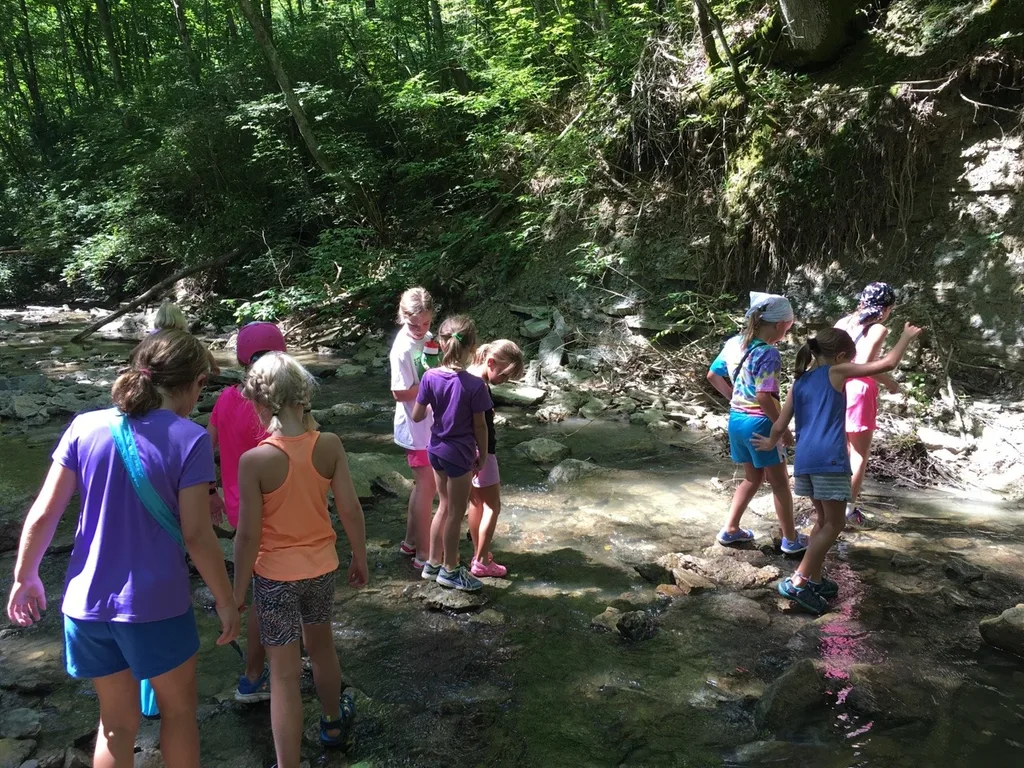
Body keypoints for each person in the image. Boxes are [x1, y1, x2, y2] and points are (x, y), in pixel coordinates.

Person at [6, 330, 240, 768]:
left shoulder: (84, 426)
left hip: (85, 605)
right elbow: (196, 534)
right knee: (179, 714)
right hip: (156, 606)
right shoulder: (189, 439)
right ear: (195, 383)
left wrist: (25, 576)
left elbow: (43, 514)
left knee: (114, 724)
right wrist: (226, 600)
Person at [232, 352, 369, 768]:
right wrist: (359, 556)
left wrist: (238, 593)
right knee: (323, 649)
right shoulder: (328, 446)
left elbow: (249, 535)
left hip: (274, 578)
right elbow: (349, 509)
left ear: (260, 403)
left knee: (285, 675)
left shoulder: (256, 460)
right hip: (322, 568)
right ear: (303, 397)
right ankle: (331, 723)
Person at [753, 323, 923, 614]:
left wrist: (770, 442)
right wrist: (905, 336)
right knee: (835, 523)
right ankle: (799, 580)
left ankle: (816, 579)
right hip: (830, 459)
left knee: (822, 520)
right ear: (842, 356)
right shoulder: (837, 371)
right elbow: (887, 363)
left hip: (805, 461)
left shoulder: (800, 381)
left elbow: (781, 422)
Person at [208, 321, 288, 702]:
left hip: (240, 512)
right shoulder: (271, 408)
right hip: (271, 514)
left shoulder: (224, 400)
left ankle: (271, 661)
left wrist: (211, 491)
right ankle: (254, 675)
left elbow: (205, 445)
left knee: (264, 591)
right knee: (265, 597)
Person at [706, 292, 806, 553]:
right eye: (789, 324)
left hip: (737, 420)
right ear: (778, 324)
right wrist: (781, 429)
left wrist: (734, 399)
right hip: (760, 424)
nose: (788, 329)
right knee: (780, 483)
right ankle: (791, 539)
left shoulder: (734, 343)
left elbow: (712, 376)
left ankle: (730, 529)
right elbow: (764, 396)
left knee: (752, 478)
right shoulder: (769, 354)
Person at [412, 315, 493, 592]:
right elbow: (480, 425)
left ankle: (432, 564)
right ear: (473, 348)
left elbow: (417, 413)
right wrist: (481, 455)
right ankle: (450, 569)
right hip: (459, 454)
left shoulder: (430, 377)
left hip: (435, 450)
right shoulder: (474, 385)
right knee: (456, 512)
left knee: (443, 507)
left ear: (442, 343)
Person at [833, 282, 900, 527]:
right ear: (886, 308)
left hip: (836, 386)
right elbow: (867, 365)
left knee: (842, 448)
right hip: (860, 389)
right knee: (859, 453)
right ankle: (847, 507)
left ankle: (832, 500)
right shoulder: (878, 329)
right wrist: (891, 383)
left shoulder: (842, 323)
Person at [466, 340, 525, 578]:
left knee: (475, 504)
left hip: (466, 452)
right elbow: (480, 425)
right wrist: (482, 455)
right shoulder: (481, 386)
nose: (504, 381)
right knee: (492, 506)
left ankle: (478, 552)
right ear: (490, 363)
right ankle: (481, 561)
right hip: (483, 452)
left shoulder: (466, 376)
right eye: (504, 375)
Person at [390, 287, 437, 568]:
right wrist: (433, 385)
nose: (420, 330)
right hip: (415, 427)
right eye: (414, 324)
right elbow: (399, 392)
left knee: (423, 487)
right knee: (428, 488)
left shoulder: (428, 338)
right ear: (402, 316)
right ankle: (423, 554)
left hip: (429, 425)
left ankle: (410, 542)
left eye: (426, 323)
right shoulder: (402, 348)